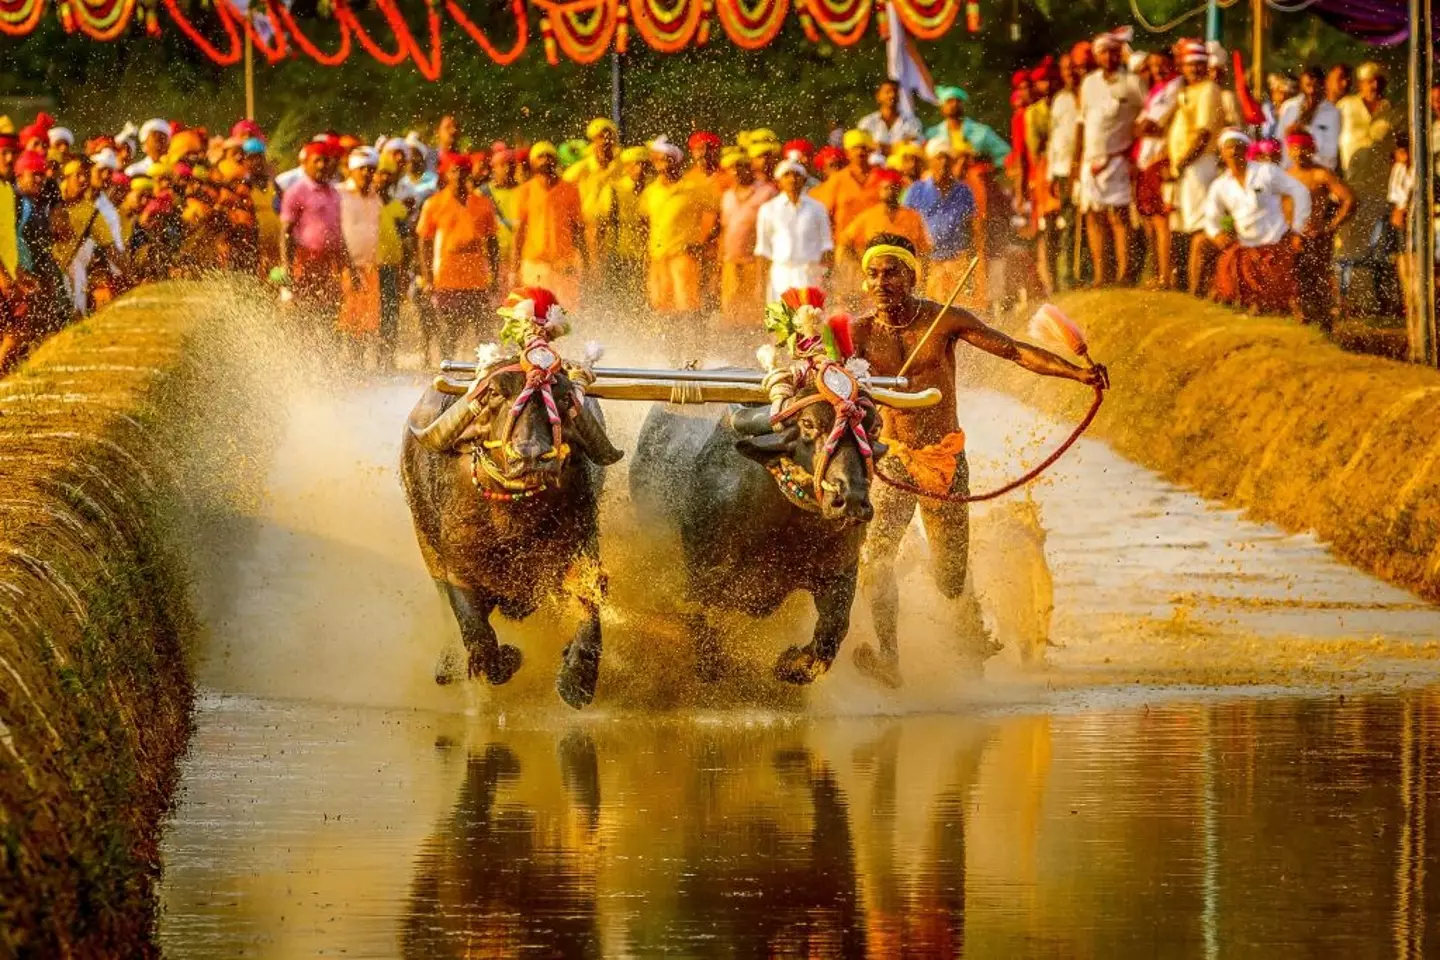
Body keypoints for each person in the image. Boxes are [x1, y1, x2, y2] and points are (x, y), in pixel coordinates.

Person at [847, 234, 1107, 686]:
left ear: (911, 275)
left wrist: (1078, 373)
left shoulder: (944, 321)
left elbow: (1014, 350)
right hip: (892, 463)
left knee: (949, 577)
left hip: (944, 461)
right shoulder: (858, 333)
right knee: (877, 559)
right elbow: (825, 380)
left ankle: (971, 630)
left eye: (891, 272)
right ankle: (889, 658)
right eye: (873, 273)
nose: (881, 282)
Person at [1203, 129, 1311, 315]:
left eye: (1237, 147)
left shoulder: (1266, 171)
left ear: (1246, 149)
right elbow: (1210, 218)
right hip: (1246, 248)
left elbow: (1299, 191)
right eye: (1227, 148)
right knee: (1226, 280)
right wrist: (1217, 234)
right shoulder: (1219, 185)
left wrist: (1298, 229)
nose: (1232, 152)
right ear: (1221, 153)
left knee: (1285, 294)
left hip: (1276, 245)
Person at [1074, 27, 1145, 286]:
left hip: (1118, 158)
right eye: (1103, 52)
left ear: (1120, 54)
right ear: (1097, 56)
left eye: (1114, 52)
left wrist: (1136, 151)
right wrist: (1076, 161)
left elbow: (1147, 117)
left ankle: (1124, 274)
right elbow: (1082, 123)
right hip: (1090, 160)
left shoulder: (1133, 83)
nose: (1109, 57)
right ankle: (1100, 275)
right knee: (1093, 217)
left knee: (1119, 217)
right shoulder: (1089, 83)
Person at [418, 150, 500, 358]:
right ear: (446, 174)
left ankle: (483, 376)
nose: (460, 176)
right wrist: (427, 277)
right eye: (455, 171)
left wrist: (495, 274)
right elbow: (424, 243)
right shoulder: (434, 204)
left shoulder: (482, 203)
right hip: (447, 279)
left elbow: (492, 241)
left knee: (484, 332)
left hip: (477, 278)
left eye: (464, 171)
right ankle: (447, 374)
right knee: (450, 331)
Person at [1335, 61, 1399, 312]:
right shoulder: (1346, 106)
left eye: (1379, 80)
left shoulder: (1389, 109)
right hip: (1350, 186)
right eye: (1369, 80)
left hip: (1380, 189)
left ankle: (1370, 304)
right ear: (1360, 83)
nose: (1374, 85)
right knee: (1346, 243)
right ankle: (1342, 302)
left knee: (1376, 247)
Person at [637, 136, 719, 319]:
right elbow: (644, 223)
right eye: (656, 159)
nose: (659, 162)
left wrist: (701, 244)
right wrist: (645, 253)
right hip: (658, 258)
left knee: (687, 308)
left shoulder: (692, 188)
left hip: (683, 257)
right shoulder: (651, 192)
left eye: (663, 158)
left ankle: (691, 346)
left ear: (675, 160)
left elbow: (714, 215)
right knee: (660, 309)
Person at [1168, 37, 1225, 295]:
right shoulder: (1186, 92)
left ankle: (1199, 288)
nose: (1192, 68)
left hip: (1199, 165)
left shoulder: (1209, 89)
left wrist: (1183, 161)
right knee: (1189, 227)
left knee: (1202, 227)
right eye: (1188, 64)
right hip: (1187, 167)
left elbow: (1203, 134)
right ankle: (1192, 286)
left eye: (1197, 64)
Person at [1286, 130, 1354, 331]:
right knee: (1294, 282)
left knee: (1319, 280)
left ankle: (1325, 325)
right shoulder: (1284, 175)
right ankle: (1301, 324)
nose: (1299, 153)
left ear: (1312, 150)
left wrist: (1329, 227)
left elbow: (1349, 200)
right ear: (1289, 151)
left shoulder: (1320, 174)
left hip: (1316, 238)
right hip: (1290, 238)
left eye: (1303, 148)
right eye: (1295, 148)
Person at [279, 138, 348, 331]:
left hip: (330, 263)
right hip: (305, 260)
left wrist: (347, 265)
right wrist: (287, 268)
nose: (321, 165)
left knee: (330, 315)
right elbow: (286, 232)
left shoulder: (334, 192)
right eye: (316, 160)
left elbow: (339, 232)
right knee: (305, 315)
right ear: (305, 163)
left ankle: (326, 359)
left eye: (325, 161)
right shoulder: (296, 192)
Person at [904, 138, 979, 305]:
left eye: (947, 158)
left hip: (957, 259)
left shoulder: (964, 191)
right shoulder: (916, 190)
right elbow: (906, 224)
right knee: (927, 306)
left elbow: (970, 228)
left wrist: (971, 265)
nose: (943, 162)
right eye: (939, 157)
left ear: (953, 162)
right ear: (930, 161)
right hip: (925, 261)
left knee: (959, 307)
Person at [512, 141, 586, 306]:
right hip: (535, 264)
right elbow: (519, 232)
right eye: (541, 157)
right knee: (537, 315)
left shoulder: (570, 189)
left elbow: (579, 229)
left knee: (566, 314)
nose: (546, 160)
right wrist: (514, 267)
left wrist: (585, 263)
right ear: (532, 163)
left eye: (549, 156)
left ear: (556, 161)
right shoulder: (525, 191)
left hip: (564, 264)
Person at [754, 157, 833, 302]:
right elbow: (763, 249)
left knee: (809, 319)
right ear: (779, 181)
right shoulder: (768, 209)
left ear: (803, 180)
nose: (792, 179)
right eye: (787, 175)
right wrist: (760, 283)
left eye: (797, 175)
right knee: (780, 319)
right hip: (781, 274)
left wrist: (828, 279)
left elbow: (826, 246)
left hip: (810, 274)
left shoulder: (817, 208)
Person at [1134, 47, 1182, 288]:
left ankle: (1167, 276)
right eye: (1153, 65)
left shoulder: (1176, 86)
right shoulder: (1156, 90)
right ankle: (1158, 273)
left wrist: (1144, 126)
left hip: (1160, 159)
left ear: (1172, 63)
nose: (1157, 69)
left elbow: (1150, 126)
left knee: (1162, 222)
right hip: (1146, 160)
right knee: (1152, 222)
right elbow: (1140, 127)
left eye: (1161, 63)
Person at [718, 147, 777, 329]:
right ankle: (731, 351)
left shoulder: (767, 192)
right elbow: (725, 229)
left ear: (748, 167)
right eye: (731, 169)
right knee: (730, 309)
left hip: (756, 261)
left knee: (755, 310)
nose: (735, 172)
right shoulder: (727, 196)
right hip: (731, 261)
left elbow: (774, 229)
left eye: (739, 167)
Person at [1042, 52, 1082, 293]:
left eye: (1073, 68)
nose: (1069, 72)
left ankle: (1073, 275)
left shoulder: (1084, 94)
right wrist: (1049, 175)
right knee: (1058, 226)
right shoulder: (1060, 99)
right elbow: (1054, 138)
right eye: (1065, 68)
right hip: (1059, 170)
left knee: (1075, 224)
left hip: (1079, 169)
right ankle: (1058, 279)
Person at [564, 118, 623, 278]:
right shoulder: (579, 170)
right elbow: (561, 197)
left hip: (619, 234)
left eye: (609, 136)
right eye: (600, 137)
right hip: (587, 232)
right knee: (587, 278)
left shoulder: (624, 166)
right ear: (593, 141)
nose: (605, 141)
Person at [338, 147, 383, 357]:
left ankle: (359, 365)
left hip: (370, 267)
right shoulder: (339, 194)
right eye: (363, 169)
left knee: (367, 322)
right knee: (346, 319)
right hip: (346, 267)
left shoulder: (376, 197)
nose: (367, 173)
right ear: (352, 170)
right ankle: (345, 365)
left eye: (371, 169)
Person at [841, 168, 930, 263]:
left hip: (904, 272)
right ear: (879, 190)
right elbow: (846, 239)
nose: (890, 192)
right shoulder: (869, 215)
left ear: (899, 190)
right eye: (886, 188)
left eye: (894, 188)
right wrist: (859, 262)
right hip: (876, 272)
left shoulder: (913, 216)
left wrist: (922, 275)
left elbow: (924, 251)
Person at [926, 86, 1011, 167]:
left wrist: (989, 168)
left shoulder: (981, 131)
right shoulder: (932, 133)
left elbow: (1006, 154)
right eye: (949, 101)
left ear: (964, 106)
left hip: (973, 179)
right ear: (941, 107)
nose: (954, 104)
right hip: (943, 180)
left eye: (958, 101)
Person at [1277, 66, 1342, 170]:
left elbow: (1331, 152)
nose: (1312, 91)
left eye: (1316, 86)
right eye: (1308, 86)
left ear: (1323, 85)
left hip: (1318, 174)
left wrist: (1304, 133)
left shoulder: (1333, 113)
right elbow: (1279, 141)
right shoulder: (1289, 107)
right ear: (1301, 85)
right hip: (1288, 172)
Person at [857, 80, 925, 151]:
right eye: (888, 92)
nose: (892, 95)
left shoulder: (912, 121)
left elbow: (917, 146)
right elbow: (861, 146)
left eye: (895, 91)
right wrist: (901, 144)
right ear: (878, 97)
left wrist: (882, 147)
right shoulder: (867, 122)